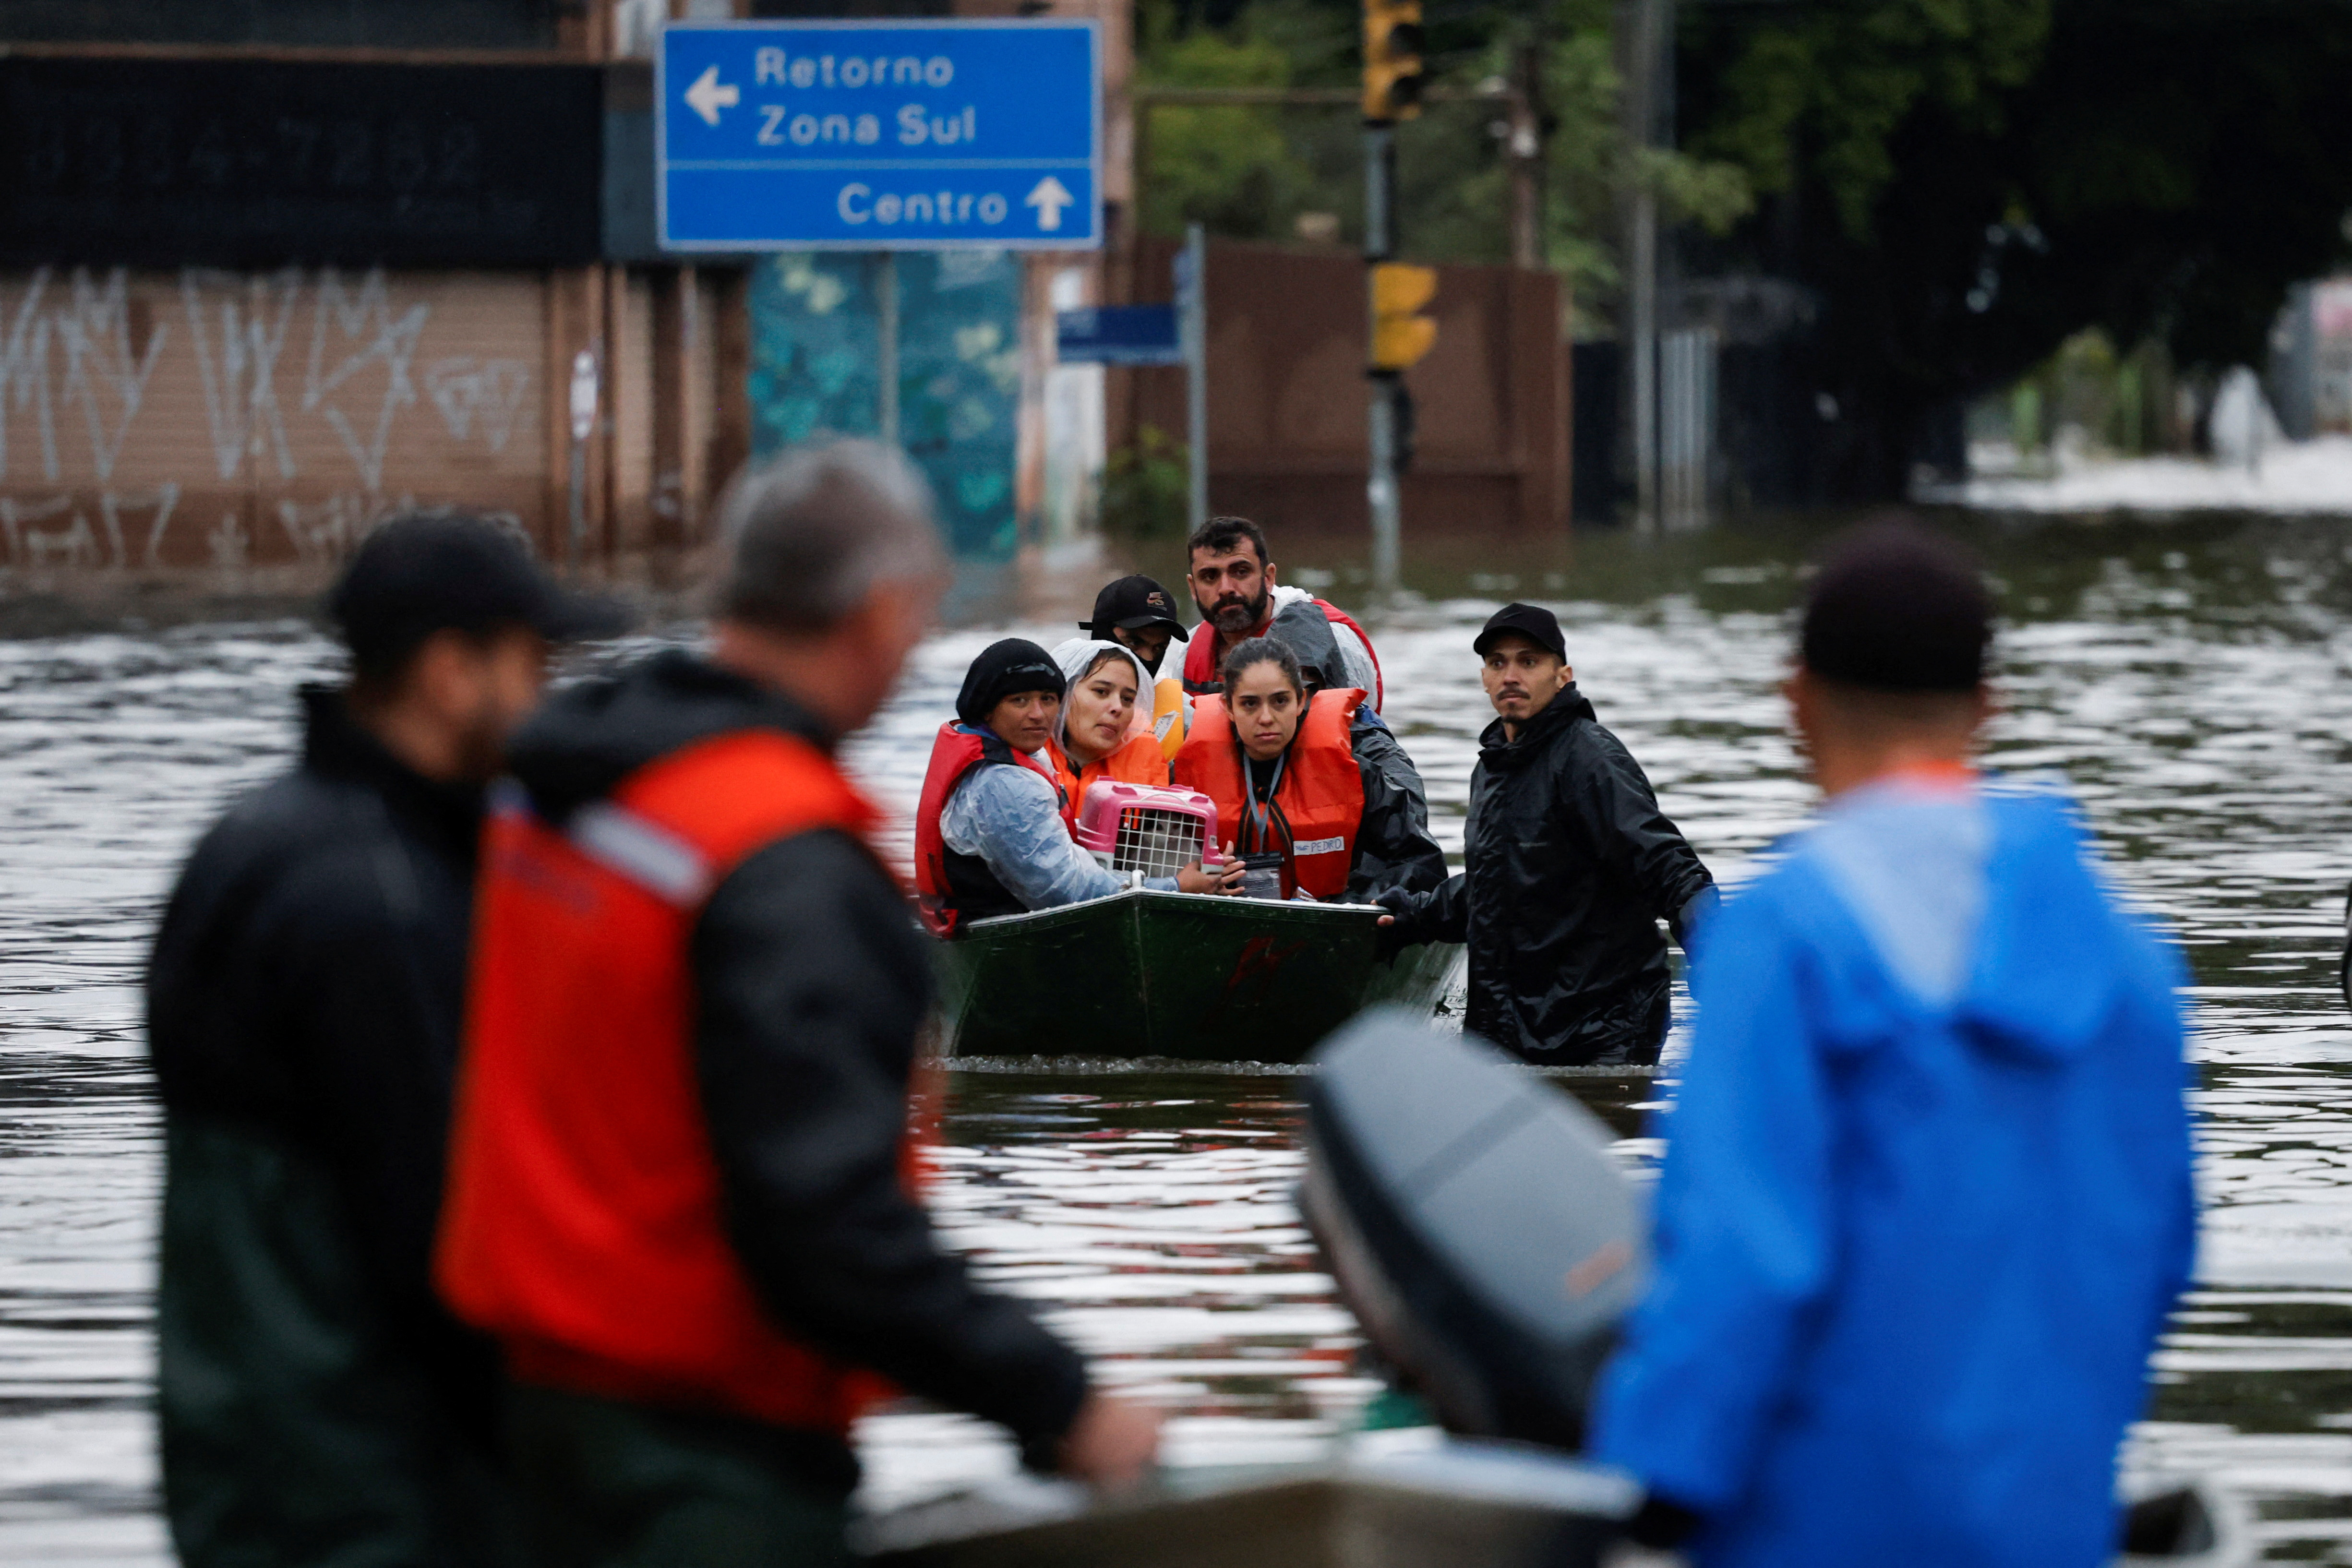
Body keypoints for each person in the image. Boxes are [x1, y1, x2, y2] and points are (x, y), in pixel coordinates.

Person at [435, 442, 1164, 1568]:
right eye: (920, 611)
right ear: (879, 613)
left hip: (507, 1413)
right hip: (701, 1455)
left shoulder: (554, 788)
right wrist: (1062, 1398)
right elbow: (830, 1226)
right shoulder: (785, 861)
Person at [1591, 521, 2197, 1568]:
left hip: (1812, 1531)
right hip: (2046, 1524)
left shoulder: (1782, 941)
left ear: (1796, 703)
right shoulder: (2129, 960)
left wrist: (1649, 1500)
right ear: (1986, 708)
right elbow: (2159, 1249)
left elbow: (1741, 1260)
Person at [146, 511, 622, 1568]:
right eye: (529, 664)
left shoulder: (249, 841)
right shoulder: (382, 901)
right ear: (452, 672)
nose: (543, 699)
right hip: (372, 1491)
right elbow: (441, 1236)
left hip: (245, 1462)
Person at [1376, 603, 1716, 1066]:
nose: (1510, 675)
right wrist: (1414, 914)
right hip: (1511, 1028)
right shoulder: (1491, 768)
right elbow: (1496, 887)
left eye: (1528, 661)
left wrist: (1717, 948)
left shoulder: (1590, 760)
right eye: (1498, 663)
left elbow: (1668, 868)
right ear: (1484, 678)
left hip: (1603, 1031)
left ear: (1563, 675)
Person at [914, 639, 1239, 932]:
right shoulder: (1003, 781)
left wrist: (1205, 869)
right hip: (993, 935)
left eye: (1048, 699)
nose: (1038, 714)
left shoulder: (1011, 756)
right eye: (1020, 700)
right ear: (987, 706)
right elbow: (1066, 890)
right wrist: (1175, 887)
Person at [1173, 637, 1446, 903]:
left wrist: (1351, 903)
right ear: (1228, 707)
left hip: (1332, 924)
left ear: (1301, 701)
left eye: (1280, 701)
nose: (1266, 718)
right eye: (1250, 704)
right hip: (1222, 918)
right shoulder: (1183, 781)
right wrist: (1195, 884)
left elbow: (1422, 864)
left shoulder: (1357, 776)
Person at [1179, 515, 1383, 709]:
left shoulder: (1332, 639)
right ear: (1192, 588)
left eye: (1241, 572)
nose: (1225, 588)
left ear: (1268, 578)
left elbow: (1362, 734)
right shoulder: (1185, 652)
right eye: (1209, 577)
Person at [1079, 574, 1191, 761]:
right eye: (1133, 643)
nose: (1147, 659)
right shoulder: (1056, 704)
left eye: (1159, 648)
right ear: (1100, 634)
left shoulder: (1185, 719)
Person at [1050, 636, 1170, 793]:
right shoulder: (1018, 763)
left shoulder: (1149, 777)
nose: (1118, 707)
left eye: (1128, 699)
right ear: (1064, 693)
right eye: (1101, 692)